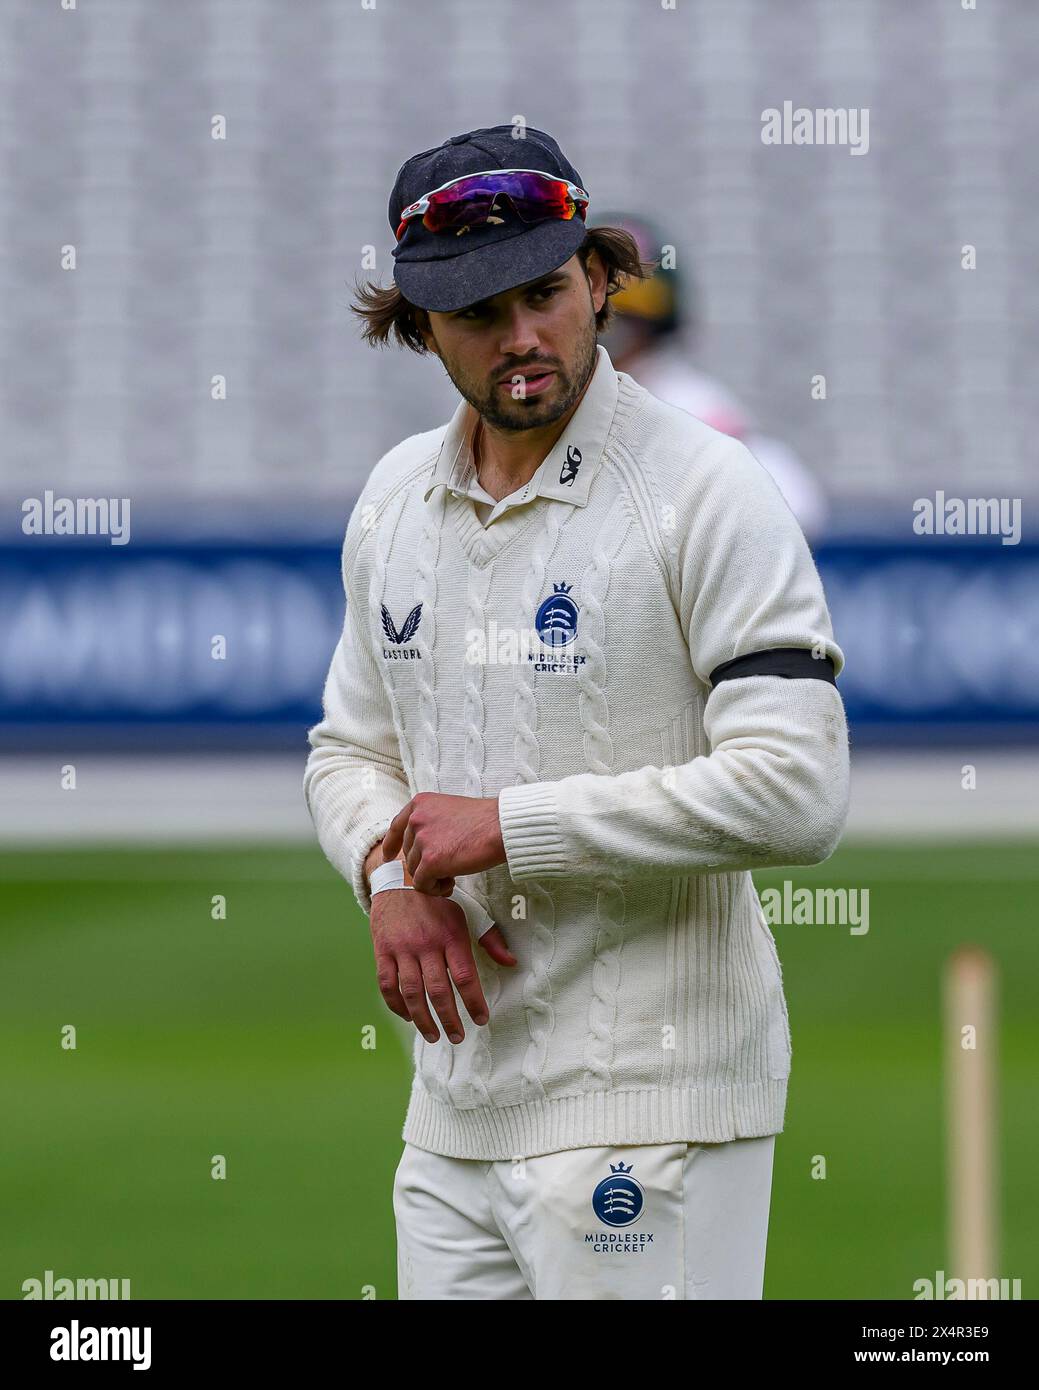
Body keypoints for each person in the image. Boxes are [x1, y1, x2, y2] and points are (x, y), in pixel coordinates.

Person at [304, 124, 850, 1301]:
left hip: (656, 1105)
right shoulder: (395, 497)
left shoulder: (707, 491)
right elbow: (350, 747)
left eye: (545, 294)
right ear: (415, 325)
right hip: (454, 1109)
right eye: (474, 313)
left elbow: (797, 789)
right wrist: (388, 879)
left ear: (600, 280)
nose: (520, 341)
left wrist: (508, 825)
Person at [594, 211, 829, 541]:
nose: (608, 335)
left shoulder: (685, 402)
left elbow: (796, 503)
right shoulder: (544, 398)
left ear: (654, 327)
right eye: (600, 319)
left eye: (624, 321)